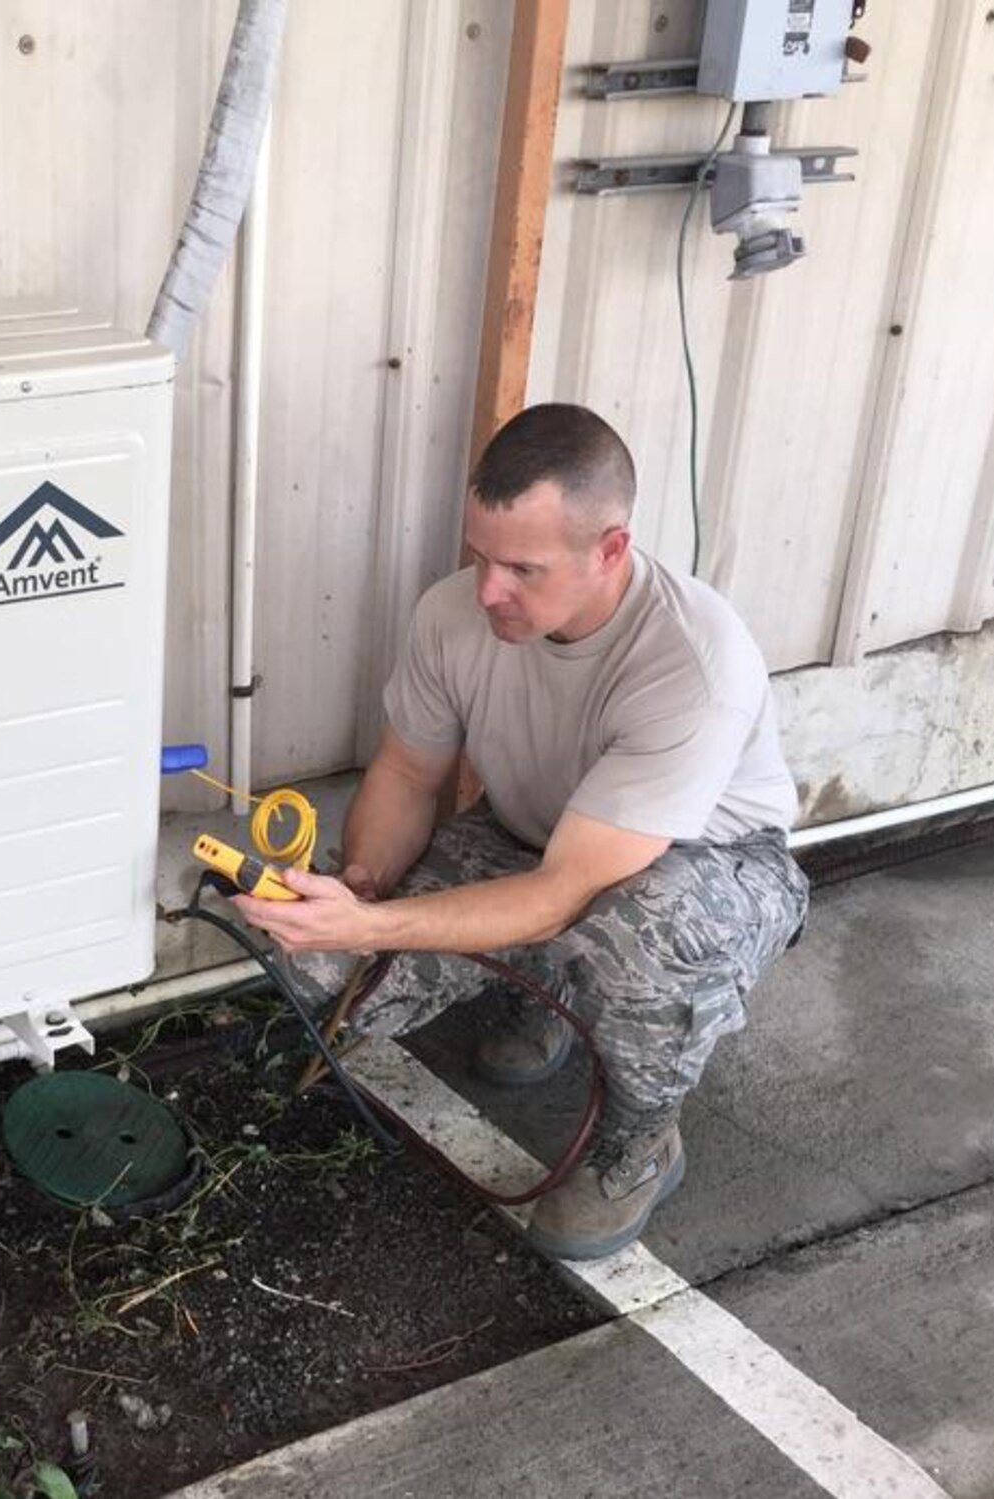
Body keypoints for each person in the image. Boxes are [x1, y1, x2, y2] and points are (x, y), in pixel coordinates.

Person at [232, 403, 809, 1260]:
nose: (489, 590)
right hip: (530, 839)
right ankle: (550, 992)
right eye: (480, 557)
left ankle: (638, 1143)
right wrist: (359, 887)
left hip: (703, 869)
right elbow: (407, 773)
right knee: (322, 965)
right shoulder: (452, 615)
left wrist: (378, 926)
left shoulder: (694, 659)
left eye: (523, 569)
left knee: (637, 934)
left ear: (609, 549)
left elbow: (566, 892)